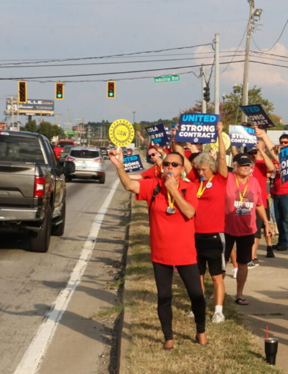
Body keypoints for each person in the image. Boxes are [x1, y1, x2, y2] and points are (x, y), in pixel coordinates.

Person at [108, 148, 206, 349]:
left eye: (174, 165)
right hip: (161, 253)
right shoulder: (153, 186)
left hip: (186, 253)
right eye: (166, 164)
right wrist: (119, 166)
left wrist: (174, 191)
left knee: (196, 294)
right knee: (164, 297)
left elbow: (189, 212)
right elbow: (129, 185)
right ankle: (168, 337)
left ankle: (201, 331)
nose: (169, 167)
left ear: (181, 170)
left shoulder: (189, 187)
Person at [176, 125, 229, 324]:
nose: (199, 172)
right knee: (197, 275)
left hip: (215, 235)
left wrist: (218, 135)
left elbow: (222, 159)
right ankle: (196, 306)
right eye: (198, 169)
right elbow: (182, 160)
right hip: (194, 234)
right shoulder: (195, 180)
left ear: (211, 168)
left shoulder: (220, 179)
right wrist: (177, 141)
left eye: (203, 169)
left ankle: (218, 310)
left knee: (216, 276)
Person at [224, 153, 273, 306]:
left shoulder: (254, 182)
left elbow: (259, 204)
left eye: (248, 165)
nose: (246, 168)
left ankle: (239, 294)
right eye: (242, 165)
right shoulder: (228, 179)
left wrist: (266, 223)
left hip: (247, 229)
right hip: (227, 228)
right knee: (222, 262)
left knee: (244, 263)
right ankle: (217, 291)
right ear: (235, 166)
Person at [266, 133, 288, 252]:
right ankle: (280, 242)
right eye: (282, 142)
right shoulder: (275, 158)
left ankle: (285, 242)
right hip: (276, 190)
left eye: (286, 142)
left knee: (286, 217)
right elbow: (271, 170)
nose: (283, 144)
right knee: (278, 218)